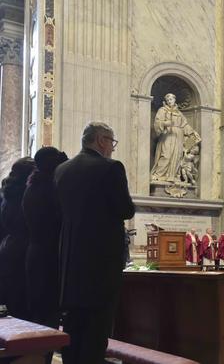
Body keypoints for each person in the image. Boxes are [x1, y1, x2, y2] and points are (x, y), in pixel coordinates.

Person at [55, 122, 135, 364]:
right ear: (101, 140)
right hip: (101, 262)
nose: (112, 148)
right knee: (96, 329)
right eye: (112, 142)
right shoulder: (110, 168)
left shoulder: (62, 170)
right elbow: (125, 209)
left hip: (70, 261)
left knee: (73, 326)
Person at [22, 148, 68, 338]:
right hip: (49, 257)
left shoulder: (32, 186)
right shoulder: (50, 190)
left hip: (35, 254)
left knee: (38, 314)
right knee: (48, 317)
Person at [0, 157, 36, 322]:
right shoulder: (29, 194)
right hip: (25, 250)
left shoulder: (6, 194)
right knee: (27, 306)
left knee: (14, 305)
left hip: (8, 249)